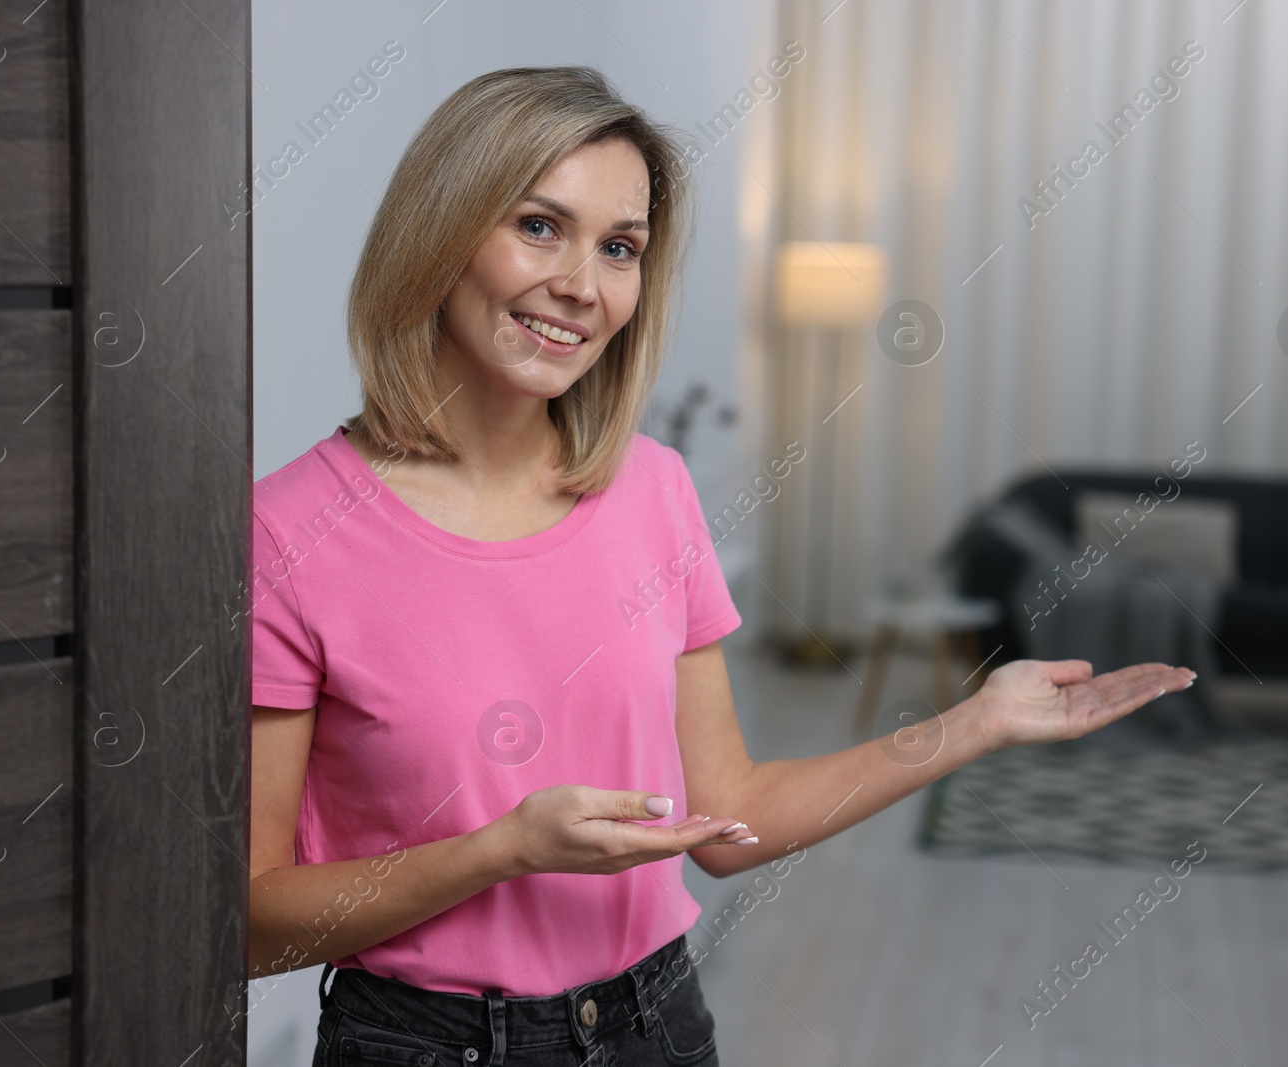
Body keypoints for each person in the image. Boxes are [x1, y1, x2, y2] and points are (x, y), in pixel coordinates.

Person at [247, 65, 1196, 1067]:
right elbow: (257, 922)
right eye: (538, 225)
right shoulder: (287, 533)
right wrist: (504, 847)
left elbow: (725, 817)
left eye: (620, 248)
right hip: (424, 1042)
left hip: (657, 1021)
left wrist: (976, 720)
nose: (581, 284)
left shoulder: (650, 489)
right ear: (439, 231)